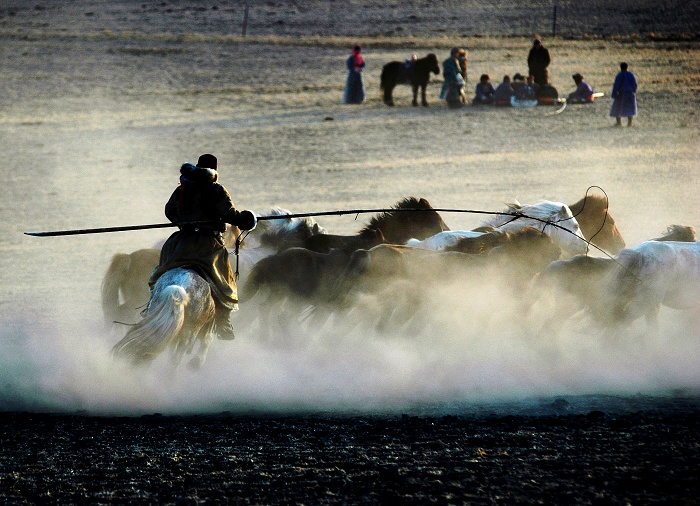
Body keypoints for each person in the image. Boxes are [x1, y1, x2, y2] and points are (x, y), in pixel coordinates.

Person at [148, 154, 257, 341]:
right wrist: (246, 219)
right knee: (225, 278)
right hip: (207, 244)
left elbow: (169, 211)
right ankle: (224, 320)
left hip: (180, 242)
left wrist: (183, 223)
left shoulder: (183, 188)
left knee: (162, 271)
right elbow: (228, 214)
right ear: (215, 170)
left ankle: (151, 305)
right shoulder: (216, 190)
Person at [610, 62, 638, 127]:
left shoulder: (620, 75)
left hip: (621, 94)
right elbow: (635, 84)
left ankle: (618, 123)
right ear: (627, 67)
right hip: (630, 93)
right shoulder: (631, 75)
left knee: (617, 107)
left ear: (621, 67)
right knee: (630, 108)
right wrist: (634, 90)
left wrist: (614, 94)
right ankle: (629, 123)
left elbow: (616, 85)